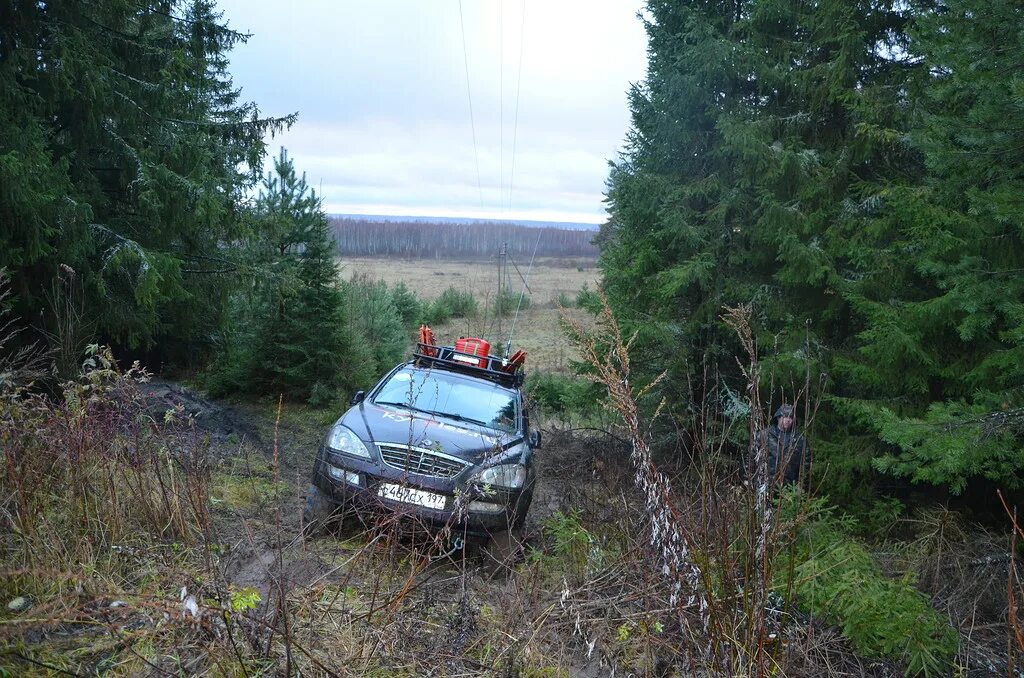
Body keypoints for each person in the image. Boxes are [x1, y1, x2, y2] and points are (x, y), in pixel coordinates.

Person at [750, 404, 811, 486]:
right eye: (785, 416)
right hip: (765, 484)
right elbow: (752, 457)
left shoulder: (800, 439)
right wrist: (748, 479)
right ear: (778, 417)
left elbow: (806, 463)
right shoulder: (764, 435)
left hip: (790, 487)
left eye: (791, 417)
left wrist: (801, 485)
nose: (788, 420)